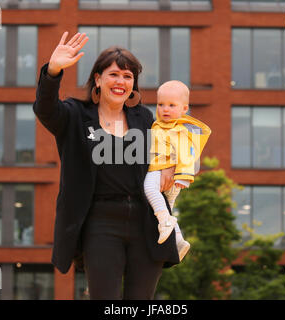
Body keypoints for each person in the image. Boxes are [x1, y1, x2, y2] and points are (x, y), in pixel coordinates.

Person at [33, 31, 180, 300]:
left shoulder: (144, 117)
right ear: (98, 79)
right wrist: (53, 70)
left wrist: (170, 166)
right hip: (100, 223)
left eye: (127, 76)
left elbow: (166, 150)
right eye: (113, 74)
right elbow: (45, 109)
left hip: (145, 222)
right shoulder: (75, 115)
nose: (120, 81)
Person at [144, 80, 211, 261]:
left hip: (166, 172)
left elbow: (187, 154)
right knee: (168, 206)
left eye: (171, 105)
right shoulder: (160, 125)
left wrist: (184, 176)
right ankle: (178, 240)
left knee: (149, 189)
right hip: (169, 176)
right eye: (161, 104)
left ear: (184, 108)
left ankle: (164, 221)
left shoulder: (179, 130)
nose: (165, 109)